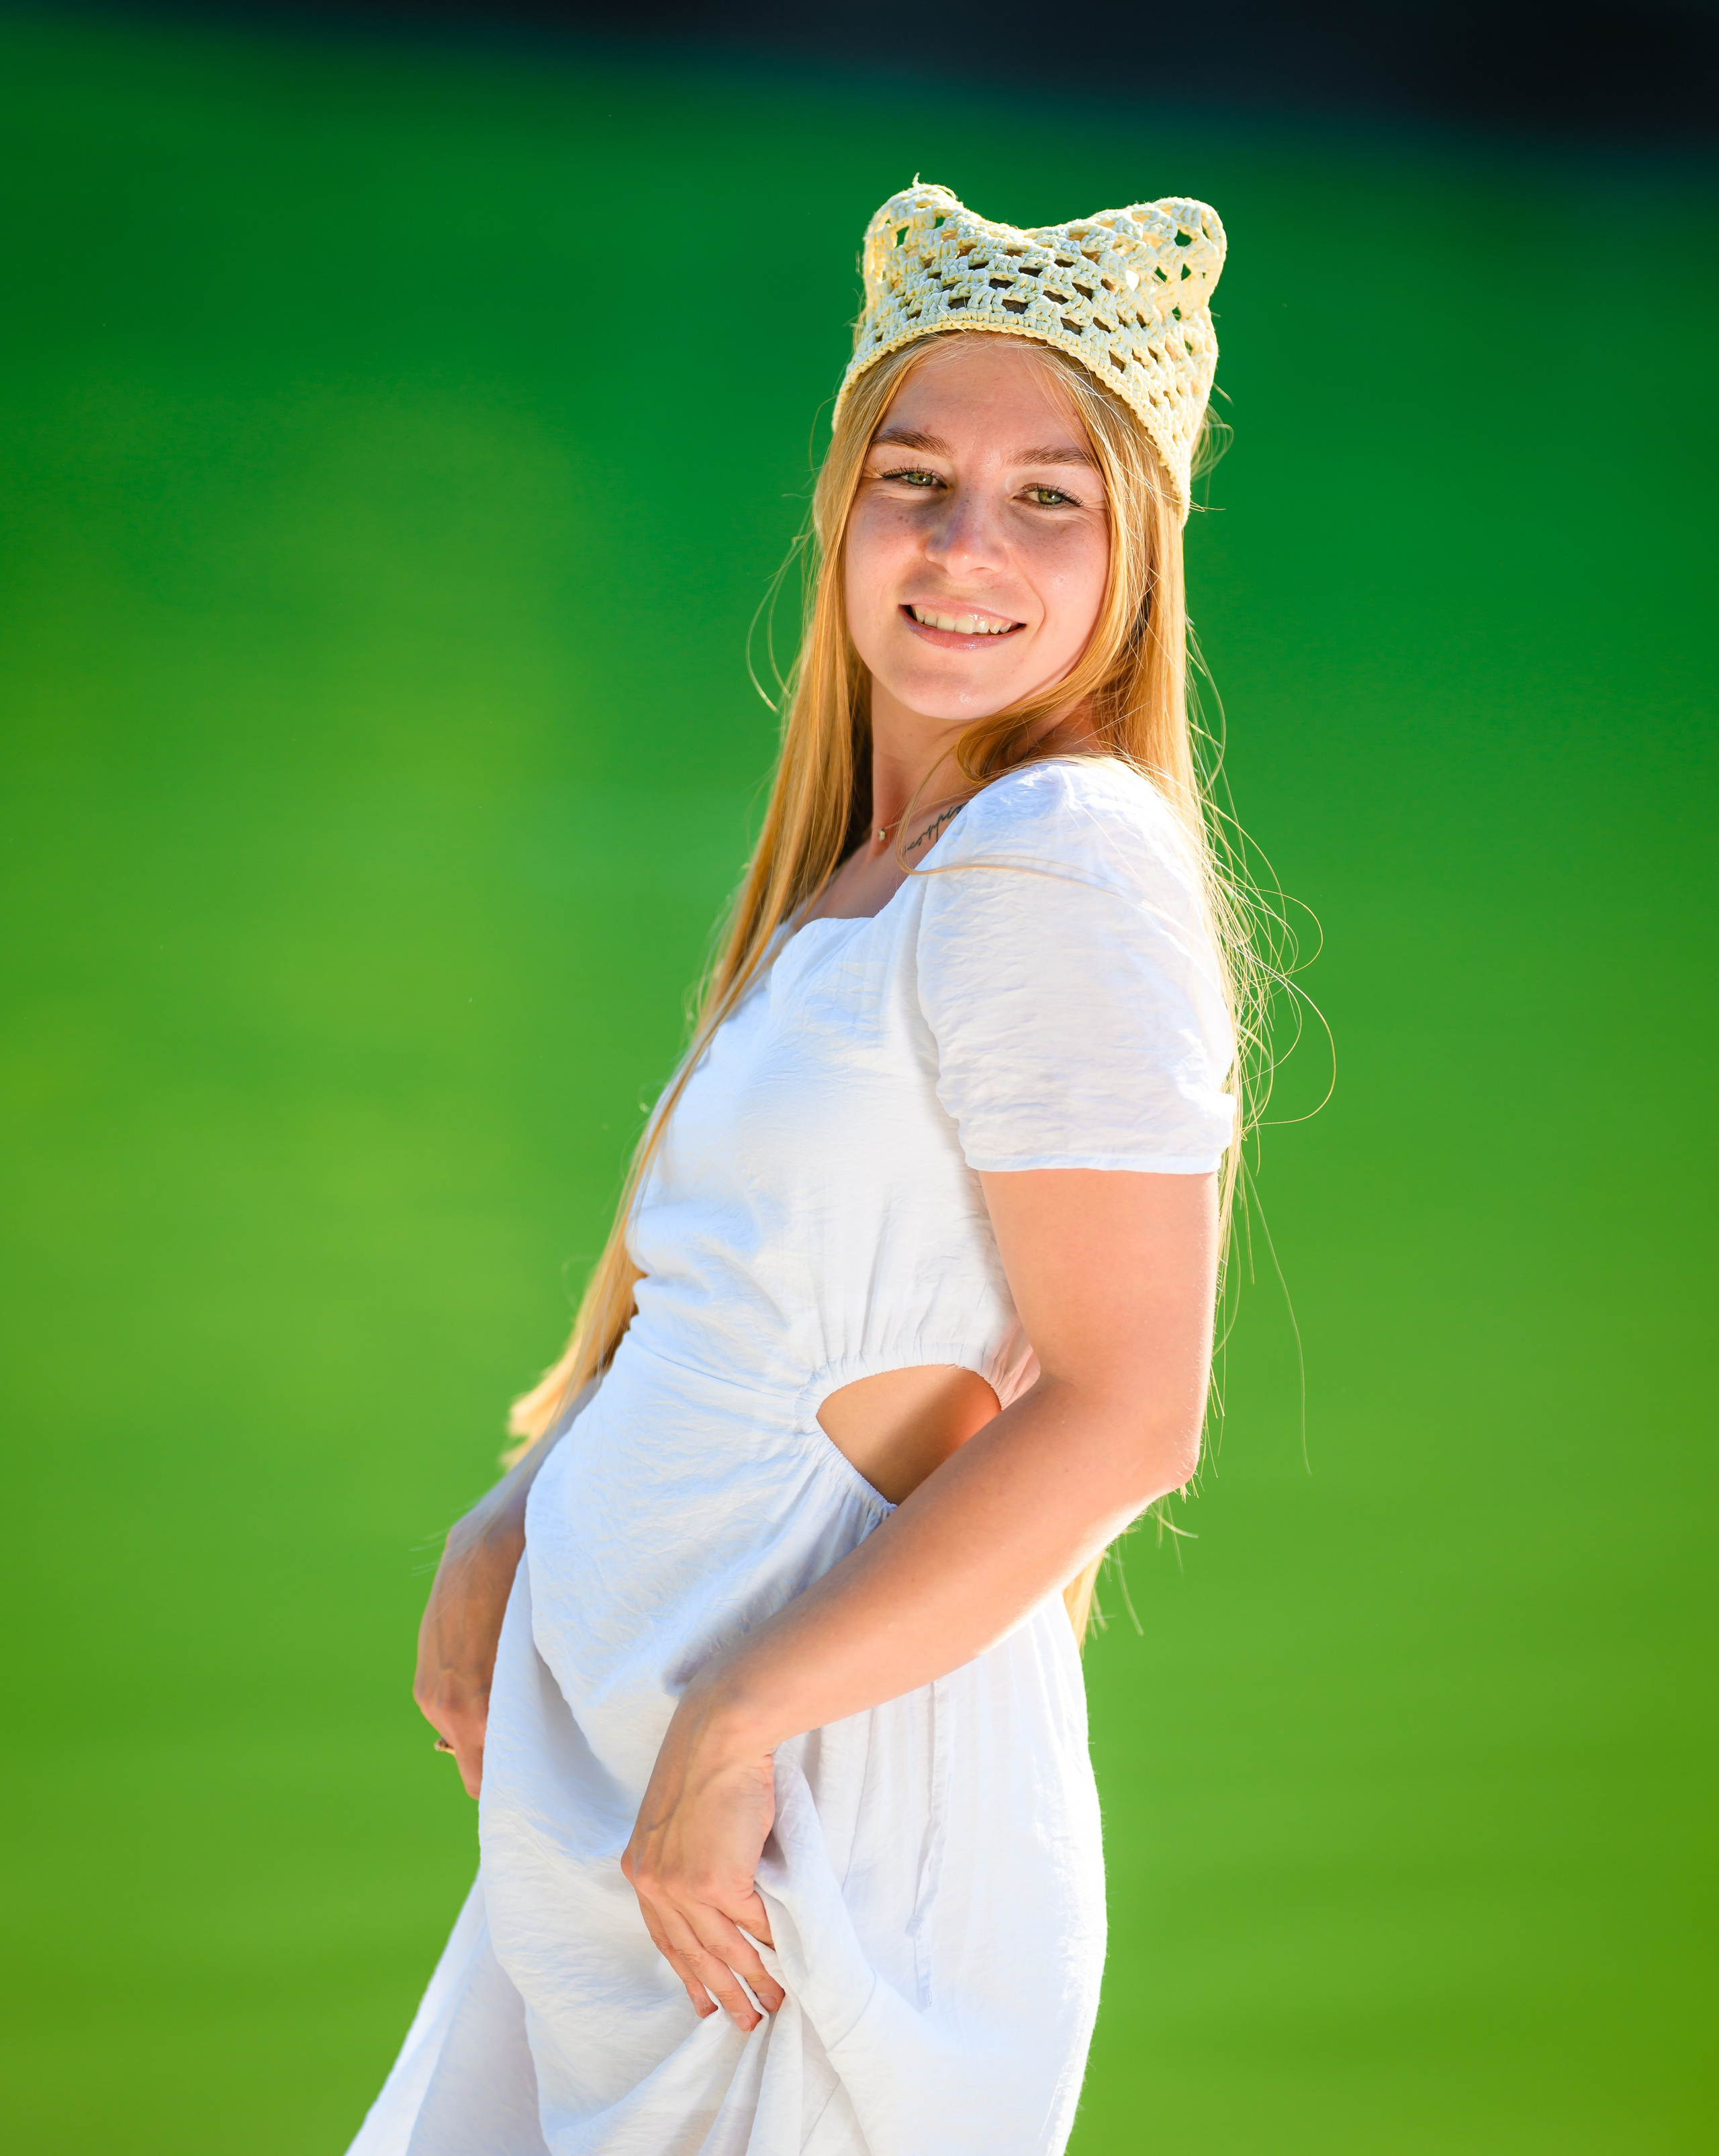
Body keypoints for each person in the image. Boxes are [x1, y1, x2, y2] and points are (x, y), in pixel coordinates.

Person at [349, 179, 1248, 2156]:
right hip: (642, 1837)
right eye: (914, 476)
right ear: (839, 508)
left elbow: (1130, 1411)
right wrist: (524, 1503)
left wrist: (737, 1723)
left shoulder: (1066, 859)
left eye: (1047, 498)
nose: (960, 547)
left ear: (1140, 555)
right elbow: (748, 1294)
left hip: (813, 1850)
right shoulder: (871, 872)